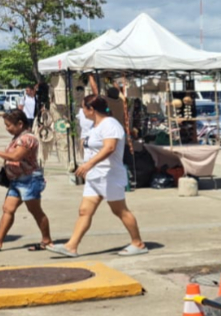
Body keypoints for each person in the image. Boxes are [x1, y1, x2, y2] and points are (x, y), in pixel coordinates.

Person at [48, 95, 148, 258]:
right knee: (84, 211)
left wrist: (88, 164)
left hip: (110, 175)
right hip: (95, 177)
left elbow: (109, 148)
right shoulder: (96, 126)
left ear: (91, 109)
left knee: (120, 211)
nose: (82, 111)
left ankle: (138, 243)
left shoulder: (110, 124)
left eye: (83, 108)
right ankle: (71, 246)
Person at [0, 109, 52, 251]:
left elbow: (16, 156)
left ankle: (47, 240)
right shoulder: (18, 138)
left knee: (36, 211)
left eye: (9, 125)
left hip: (29, 180)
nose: (7, 129)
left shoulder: (27, 139)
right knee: (8, 209)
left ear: (20, 123)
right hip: (17, 181)